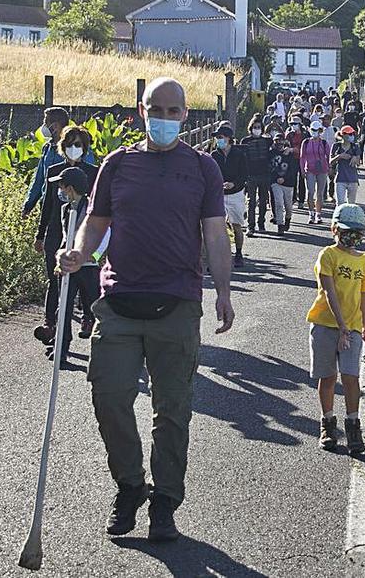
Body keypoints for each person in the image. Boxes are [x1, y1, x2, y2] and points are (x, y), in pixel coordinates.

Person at [57, 77, 235, 542]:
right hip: (118, 301)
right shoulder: (117, 164)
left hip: (176, 302)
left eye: (173, 111)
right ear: (141, 110)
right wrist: (79, 253)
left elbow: (216, 233)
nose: (164, 117)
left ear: (185, 115)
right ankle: (131, 484)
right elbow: (95, 224)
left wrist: (223, 290)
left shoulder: (202, 168)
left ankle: (165, 502)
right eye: (156, 109)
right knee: (109, 395)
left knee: (172, 410)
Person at [306, 203, 365, 454]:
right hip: (326, 325)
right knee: (328, 377)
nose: (352, 238)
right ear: (334, 229)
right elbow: (329, 290)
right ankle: (327, 422)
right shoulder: (328, 255)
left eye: (357, 233)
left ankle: (353, 424)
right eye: (347, 232)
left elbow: (364, 295)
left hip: (353, 327)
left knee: (351, 376)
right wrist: (341, 325)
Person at [35, 126, 100, 342]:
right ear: (62, 147)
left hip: (83, 232)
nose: (74, 148)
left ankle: (88, 317)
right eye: (70, 144)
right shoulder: (54, 172)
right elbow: (48, 204)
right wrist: (40, 234)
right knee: (55, 279)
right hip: (57, 231)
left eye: (78, 145)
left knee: (84, 279)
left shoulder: (93, 172)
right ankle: (51, 325)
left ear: (84, 148)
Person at [48, 165, 107, 362]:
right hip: (68, 267)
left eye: (62, 187)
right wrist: (60, 256)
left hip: (89, 268)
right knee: (62, 307)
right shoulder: (65, 209)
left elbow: (104, 234)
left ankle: (105, 349)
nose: (61, 191)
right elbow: (66, 237)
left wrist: (94, 256)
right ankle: (61, 348)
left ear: (70, 188)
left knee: (95, 307)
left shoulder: (93, 209)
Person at [22, 107, 97, 217]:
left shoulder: (78, 147)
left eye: (46, 123)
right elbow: (39, 180)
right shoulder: (47, 148)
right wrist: (29, 205)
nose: (44, 127)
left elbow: (88, 175)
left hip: (73, 206)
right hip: (49, 204)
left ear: (55, 126)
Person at [210, 124, 249, 268]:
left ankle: (239, 254)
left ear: (228, 138)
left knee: (236, 225)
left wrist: (234, 183)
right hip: (219, 194)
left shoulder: (239, 155)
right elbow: (210, 174)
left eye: (220, 137)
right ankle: (216, 257)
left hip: (236, 193)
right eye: (217, 138)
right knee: (216, 226)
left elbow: (244, 175)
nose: (218, 140)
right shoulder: (214, 155)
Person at [241, 113, 273, 237]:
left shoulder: (267, 141)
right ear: (250, 128)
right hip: (251, 175)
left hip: (265, 174)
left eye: (259, 127)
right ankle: (251, 226)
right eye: (255, 126)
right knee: (251, 201)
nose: (257, 129)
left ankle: (261, 223)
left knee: (263, 200)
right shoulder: (245, 141)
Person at [269, 131, 300, 234]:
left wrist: (284, 178)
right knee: (278, 203)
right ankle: (280, 224)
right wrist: (276, 178)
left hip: (288, 183)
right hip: (275, 182)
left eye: (280, 141)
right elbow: (269, 168)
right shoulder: (271, 153)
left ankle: (287, 219)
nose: (278, 143)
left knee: (288, 206)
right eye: (276, 141)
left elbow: (292, 169)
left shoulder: (289, 154)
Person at [300, 121, 331, 224]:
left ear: (320, 131)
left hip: (322, 170)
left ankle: (318, 214)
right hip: (310, 170)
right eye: (313, 130)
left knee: (320, 193)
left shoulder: (324, 143)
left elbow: (328, 156)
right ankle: (311, 213)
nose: (314, 132)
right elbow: (302, 157)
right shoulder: (306, 142)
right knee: (310, 192)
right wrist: (302, 170)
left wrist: (329, 168)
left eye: (316, 130)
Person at [331, 126, 362, 205]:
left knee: (351, 204)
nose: (352, 136)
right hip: (340, 179)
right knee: (340, 203)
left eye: (352, 134)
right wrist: (339, 156)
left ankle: (349, 217)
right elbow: (330, 162)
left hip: (353, 179)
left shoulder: (355, 147)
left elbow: (359, 162)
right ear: (343, 135)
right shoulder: (336, 146)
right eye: (350, 134)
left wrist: (355, 157)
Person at [287, 116, 307, 208]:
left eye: (295, 124)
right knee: (292, 178)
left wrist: (297, 150)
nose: (293, 126)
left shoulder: (305, 134)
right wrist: (291, 149)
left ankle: (301, 200)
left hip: (303, 159)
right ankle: (293, 198)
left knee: (302, 179)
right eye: (291, 124)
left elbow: (308, 146)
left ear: (300, 125)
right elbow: (286, 145)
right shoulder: (289, 134)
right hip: (292, 159)